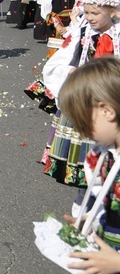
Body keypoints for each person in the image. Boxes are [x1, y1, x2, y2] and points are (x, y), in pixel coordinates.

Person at [42, 0, 120, 216]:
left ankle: (105, 211)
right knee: (90, 159)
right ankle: (82, 206)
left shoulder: (117, 34)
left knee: (112, 160)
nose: (90, 17)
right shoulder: (82, 32)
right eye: (86, 12)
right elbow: (56, 63)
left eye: (95, 13)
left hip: (113, 105)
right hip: (86, 105)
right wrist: (71, 73)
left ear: (112, 10)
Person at [59, 57, 120, 272]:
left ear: (107, 111)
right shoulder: (107, 154)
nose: (80, 130)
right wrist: (96, 218)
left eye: (83, 122)